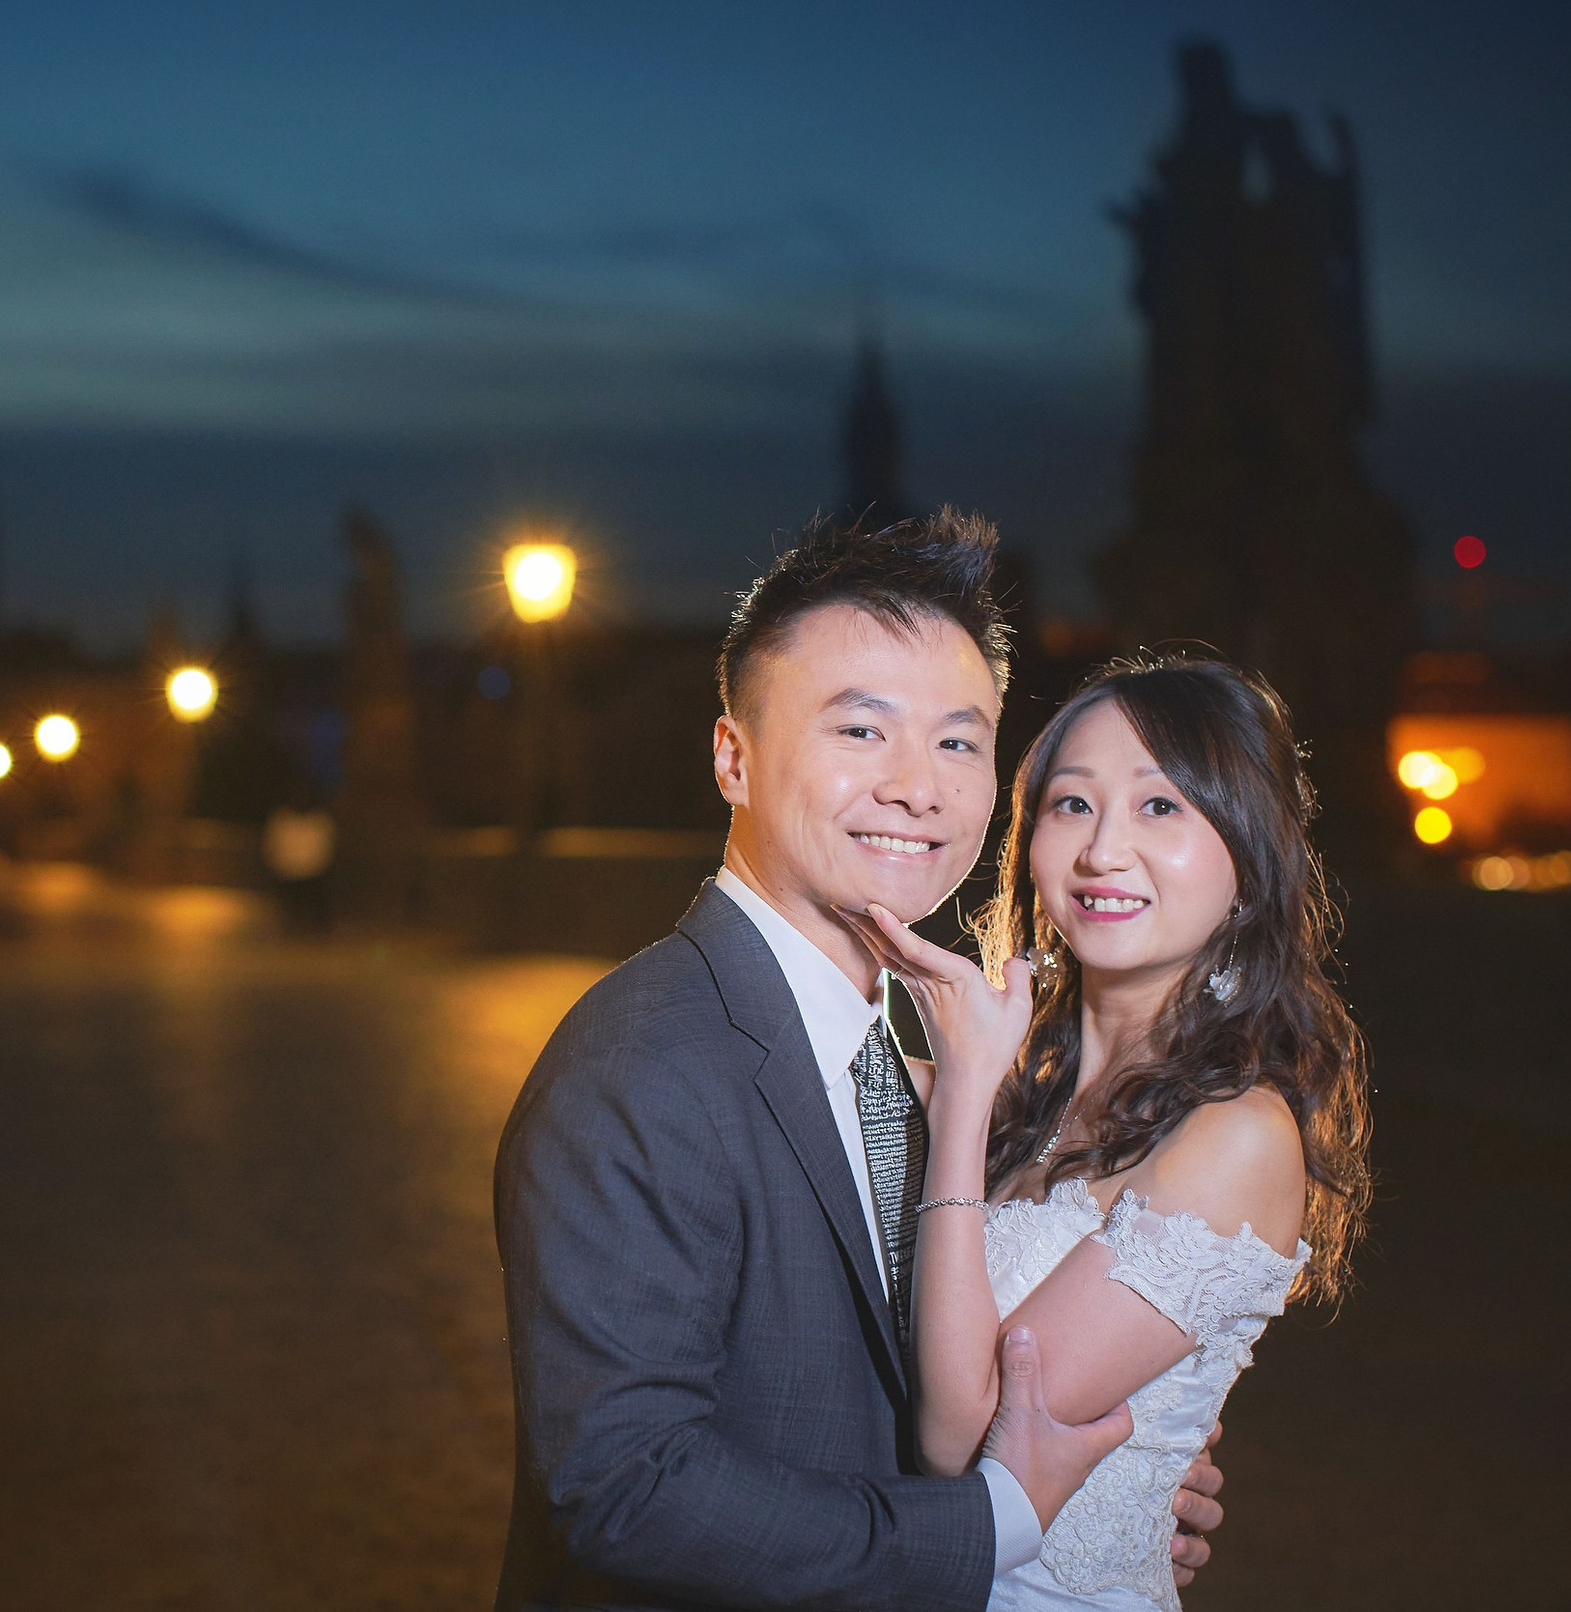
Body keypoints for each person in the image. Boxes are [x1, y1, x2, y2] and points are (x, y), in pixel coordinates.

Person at [494, 511, 1225, 1612]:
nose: (918, 787)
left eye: (958, 742)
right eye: (862, 731)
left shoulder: (900, 1052)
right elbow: (624, 1488)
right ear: (733, 757)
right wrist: (997, 1522)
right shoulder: (642, 1061)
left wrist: (1106, 1484)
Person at [847, 655, 1372, 1611]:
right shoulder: (1021, 1097)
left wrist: (959, 1097)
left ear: (1249, 864)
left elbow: (961, 1441)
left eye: (1161, 806)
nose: (1103, 850)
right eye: (1073, 804)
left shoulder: (1237, 1135)